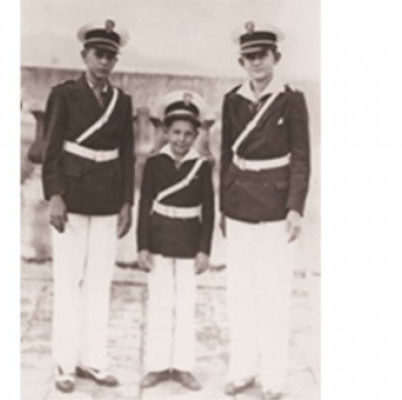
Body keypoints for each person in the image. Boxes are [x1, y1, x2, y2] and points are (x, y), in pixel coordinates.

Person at [41, 19, 135, 394]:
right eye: (98, 54)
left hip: (108, 200)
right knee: (68, 283)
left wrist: (128, 200)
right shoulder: (64, 95)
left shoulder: (122, 101)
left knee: (99, 284)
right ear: (84, 55)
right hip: (72, 199)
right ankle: (64, 364)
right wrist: (56, 195)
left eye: (111, 56)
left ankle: (93, 360)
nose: (104, 62)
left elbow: (127, 155)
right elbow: (51, 151)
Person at [220, 22, 311, 400]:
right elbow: (226, 156)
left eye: (263, 55)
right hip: (239, 204)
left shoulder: (291, 101)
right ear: (242, 61)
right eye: (249, 57)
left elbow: (301, 158)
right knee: (240, 292)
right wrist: (224, 206)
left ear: (276, 57)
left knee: (273, 293)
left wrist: (294, 207)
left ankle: (274, 376)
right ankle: (243, 369)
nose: (256, 62)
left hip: (275, 207)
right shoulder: (232, 100)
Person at [137, 90, 215, 392]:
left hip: (188, 242)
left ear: (196, 135)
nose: (181, 139)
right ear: (166, 132)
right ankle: (157, 365)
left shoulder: (202, 165)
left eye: (187, 134)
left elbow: (208, 210)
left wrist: (204, 250)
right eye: (176, 132)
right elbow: (144, 204)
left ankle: (183, 366)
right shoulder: (155, 163)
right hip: (158, 240)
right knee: (159, 303)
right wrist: (142, 246)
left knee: (185, 304)